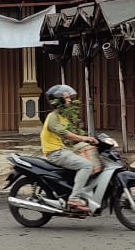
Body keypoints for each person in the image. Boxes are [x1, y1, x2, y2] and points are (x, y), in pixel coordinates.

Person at [40, 83, 99, 214]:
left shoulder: (63, 116)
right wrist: (84, 139)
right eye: (66, 98)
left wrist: (88, 139)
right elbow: (66, 134)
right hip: (55, 153)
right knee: (86, 166)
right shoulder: (53, 117)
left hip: (63, 149)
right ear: (59, 100)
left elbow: (73, 134)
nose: (70, 100)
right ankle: (74, 199)